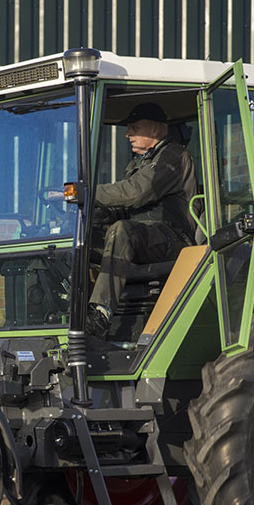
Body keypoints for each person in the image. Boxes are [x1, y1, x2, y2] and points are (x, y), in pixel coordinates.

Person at [87, 102, 197, 333]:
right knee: (82, 242)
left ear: (156, 129)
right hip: (145, 237)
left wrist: (87, 193)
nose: (128, 134)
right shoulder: (140, 162)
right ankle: (72, 312)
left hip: (172, 238)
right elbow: (127, 205)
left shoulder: (173, 157)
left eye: (135, 128)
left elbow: (136, 193)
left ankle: (101, 313)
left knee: (121, 231)